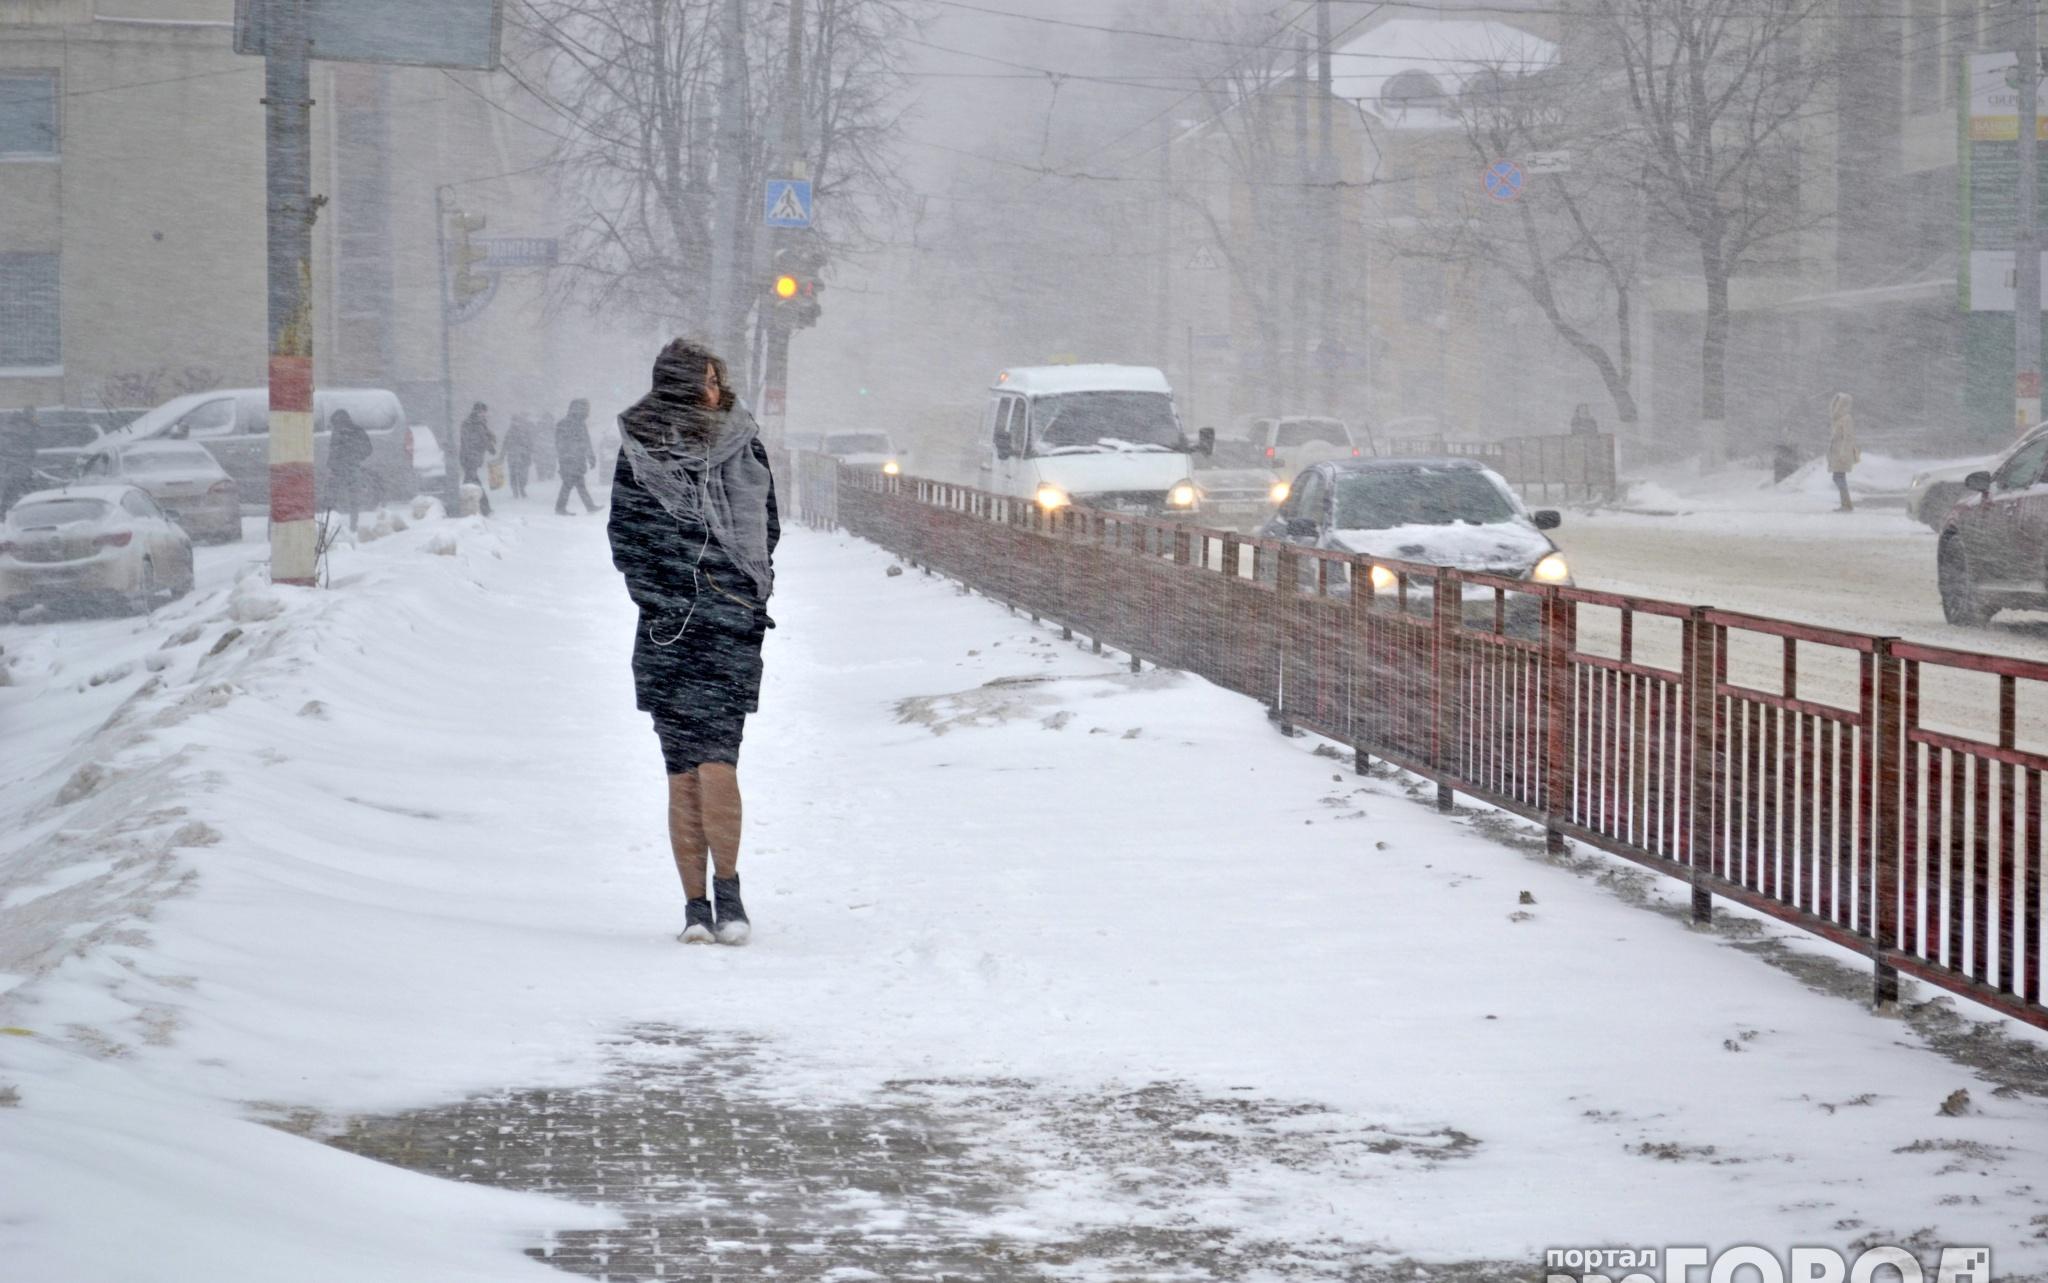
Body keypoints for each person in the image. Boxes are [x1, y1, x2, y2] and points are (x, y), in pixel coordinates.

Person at [608, 341, 779, 945]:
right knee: (682, 770)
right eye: (707, 380)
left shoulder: (742, 442)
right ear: (682, 387)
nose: (716, 389)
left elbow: (768, 527)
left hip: (729, 626)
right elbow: (627, 539)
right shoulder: (640, 455)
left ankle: (727, 897)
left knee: (717, 762)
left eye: (717, 378)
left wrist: (741, 596)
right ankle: (696, 908)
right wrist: (667, 600)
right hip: (670, 631)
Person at [328, 408, 374, 531]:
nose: (335, 427)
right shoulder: (353, 431)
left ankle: (340, 526)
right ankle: (348, 525)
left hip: (346, 468)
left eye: (335, 423)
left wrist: (333, 466)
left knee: (335, 497)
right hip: (348, 468)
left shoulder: (352, 432)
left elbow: (333, 451)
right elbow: (333, 451)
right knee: (351, 498)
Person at [554, 399, 600, 515]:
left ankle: (589, 506)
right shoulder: (565, 424)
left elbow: (586, 442)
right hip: (570, 460)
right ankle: (560, 508)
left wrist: (591, 457)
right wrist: (567, 455)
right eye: (584, 409)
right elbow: (560, 443)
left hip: (576, 460)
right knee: (569, 483)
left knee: (578, 484)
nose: (586, 412)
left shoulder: (578, 424)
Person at [0, 406, 38, 519]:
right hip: (14, 470)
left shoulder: (17, 432)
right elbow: (8, 451)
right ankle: (6, 514)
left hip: (18, 470)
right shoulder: (11, 435)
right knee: (12, 492)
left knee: (14, 492)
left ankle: (7, 513)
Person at [459, 402, 496, 517]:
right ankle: (484, 508)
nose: (485, 414)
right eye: (484, 412)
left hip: (468, 457)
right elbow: (480, 438)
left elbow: (483, 435)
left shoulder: (472, 422)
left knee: (470, 483)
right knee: (473, 483)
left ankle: (479, 507)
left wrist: (490, 437)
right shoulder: (475, 423)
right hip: (471, 458)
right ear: (480, 411)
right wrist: (490, 447)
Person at [1827, 391, 1859, 513]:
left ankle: (1846, 505)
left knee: (1838, 478)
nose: (1835, 405)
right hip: (1835, 453)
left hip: (1840, 454)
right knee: (1838, 478)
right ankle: (1846, 504)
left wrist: (1843, 454)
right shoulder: (1838, 419)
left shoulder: (1846, 418)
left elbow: (1848, 437)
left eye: (1837, 403)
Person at [503, 413, 535, 499]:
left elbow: (530, 443)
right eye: (514, 421)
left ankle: (521, 489)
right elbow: (505, 444)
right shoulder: (510, 431)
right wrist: (502, 455)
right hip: (514, 456)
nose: (515, 423)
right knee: (514, 474)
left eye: (517, 421)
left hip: (522, 456)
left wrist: (531, 452)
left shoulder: (525, 431)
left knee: (522, 475)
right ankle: (516, 491)